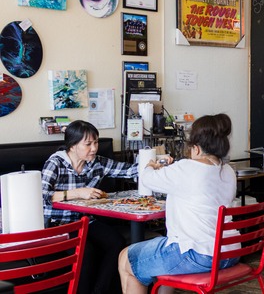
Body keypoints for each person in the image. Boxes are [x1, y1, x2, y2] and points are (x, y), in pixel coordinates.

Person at [118, 114, 238, 294]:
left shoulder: (187, 168)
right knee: (166, 253)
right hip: (229, 252)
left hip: (198, 255)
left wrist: (151, 165)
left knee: (127, 259)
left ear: (196, 149)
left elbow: (147, 179)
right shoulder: (227, 171)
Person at [41, 120, 138, 294]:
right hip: (58, 224)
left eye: (96, 142)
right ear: (72, 146)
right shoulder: (55, 163)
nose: (94, 148)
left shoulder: (96, 163)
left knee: (117, 242)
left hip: (85, 221)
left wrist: (155, 163)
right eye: (88, 144)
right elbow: (42, 196)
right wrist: (77, 193)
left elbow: (130, 171)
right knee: (86, 252)